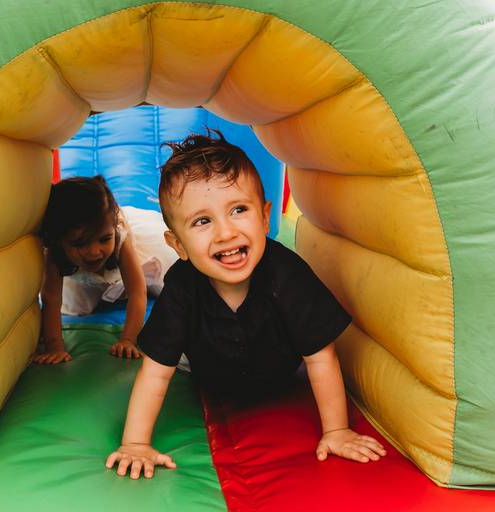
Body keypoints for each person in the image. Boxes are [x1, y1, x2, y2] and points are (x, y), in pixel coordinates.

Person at [105, 131, 386, 479]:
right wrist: (135, 443)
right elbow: (156, 371)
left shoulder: (287, 274)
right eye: (203, 221)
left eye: (239, 210)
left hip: (280, 375)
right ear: (177, 245)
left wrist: (337, 430)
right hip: (209, 374)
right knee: (175, 355)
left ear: (265, 218)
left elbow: (320, 356)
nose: (226, 233)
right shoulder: (181, 286)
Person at [34, 176, 176, 363]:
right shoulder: (55, 251)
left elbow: (136, 291)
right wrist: (54, 347)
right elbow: (51, 299)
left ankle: (119, 281)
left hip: (125, 257)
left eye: (104, 239)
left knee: (167, 282)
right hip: (80, 270)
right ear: (60, 240)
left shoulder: (118, 236)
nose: (94, 252)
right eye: (80, 243)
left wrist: (128, 340)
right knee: (77, 307)